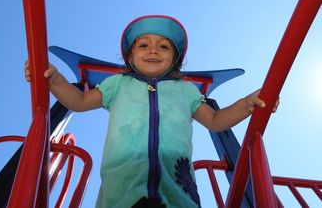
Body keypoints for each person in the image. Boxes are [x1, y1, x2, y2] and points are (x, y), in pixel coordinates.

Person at [25, 15, 279, 208]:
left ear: (174, 59)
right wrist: (54, 80)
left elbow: (215, 120)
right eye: (144, 45)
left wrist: (246, 104)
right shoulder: (118, 84)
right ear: (131, 57)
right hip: (122, 190)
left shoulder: (186, 90)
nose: (153, 50)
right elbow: (79, 101)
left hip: (177, 192)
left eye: (164, 47)